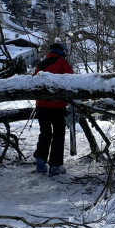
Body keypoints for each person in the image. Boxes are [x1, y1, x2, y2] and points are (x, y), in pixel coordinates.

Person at [32, 41, 73, 176]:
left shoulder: (41, 64)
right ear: (62, 52)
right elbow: (71, 80)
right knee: (58, 136)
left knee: (45, 133)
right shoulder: (62, 63)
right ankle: (55, 166)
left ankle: (41, 162)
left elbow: (33, 82)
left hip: (41, 106)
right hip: (57, 106)